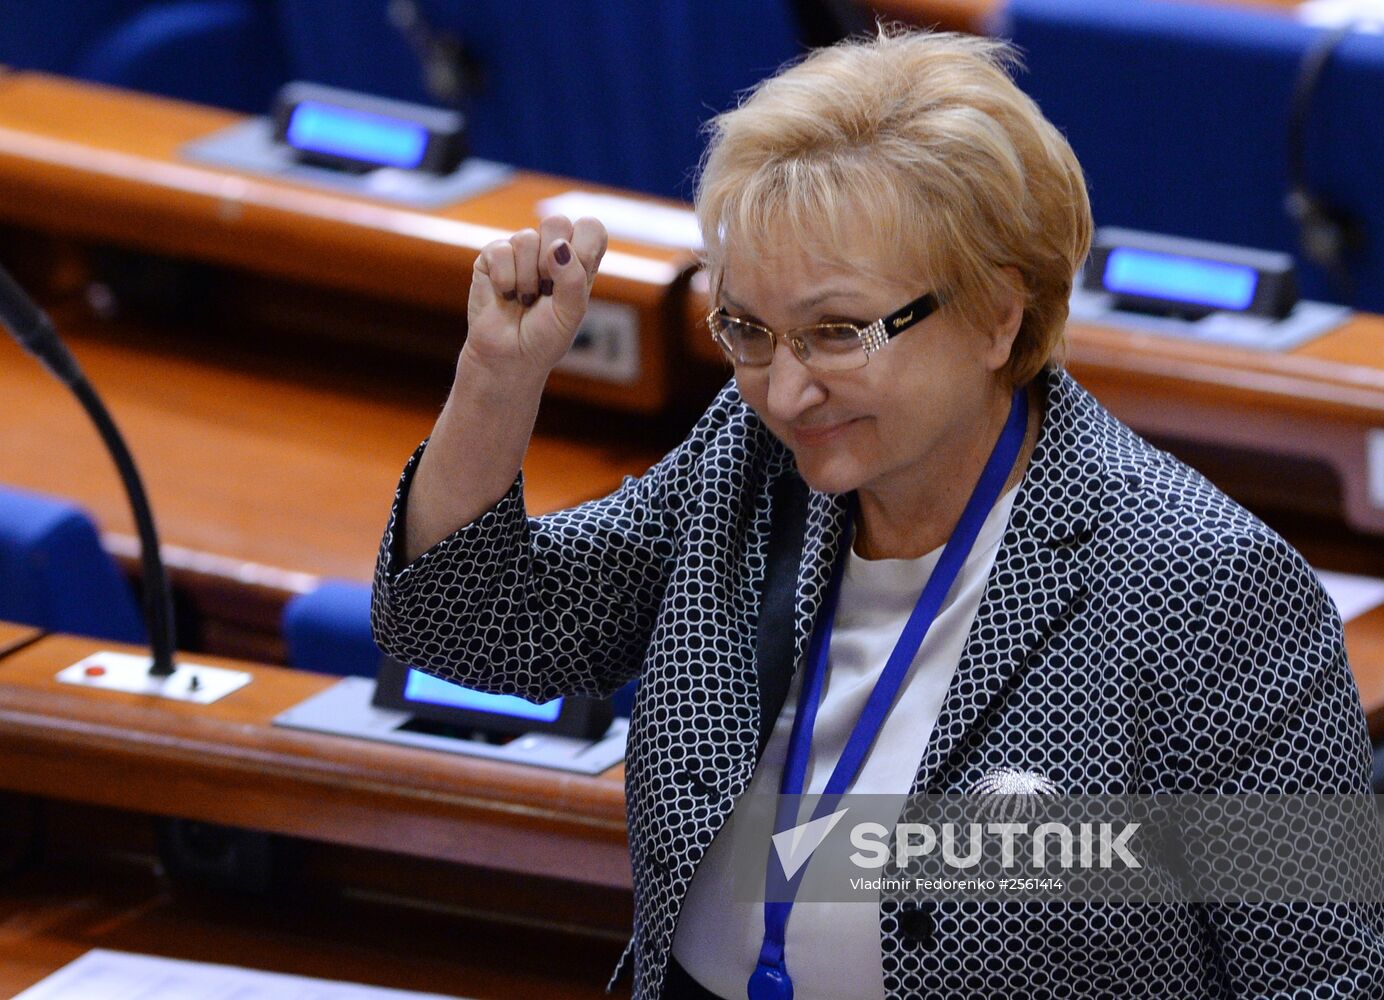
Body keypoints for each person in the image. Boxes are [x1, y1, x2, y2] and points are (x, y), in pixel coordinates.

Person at [371, 28, 1384, 1000]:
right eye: (747, 330)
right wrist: (497, 379)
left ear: (997, 313)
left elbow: (1321, 976)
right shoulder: (747, 463)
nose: (785, 389)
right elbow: (458, 621)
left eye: (838, 332)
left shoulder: (1205, 587)